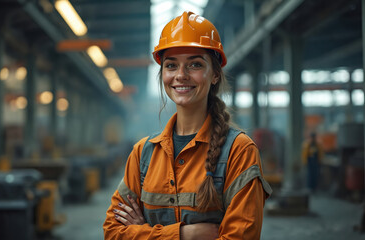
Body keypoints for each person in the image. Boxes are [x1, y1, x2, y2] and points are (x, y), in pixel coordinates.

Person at [103, 11, 272, 240]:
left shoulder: (239, 151)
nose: (181, 75)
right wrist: (184, 234)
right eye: (171, 65)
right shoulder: (143, 154)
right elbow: (113, 232)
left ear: (214, 75)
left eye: (194, 64)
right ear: (162, 73)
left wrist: (142, 231)